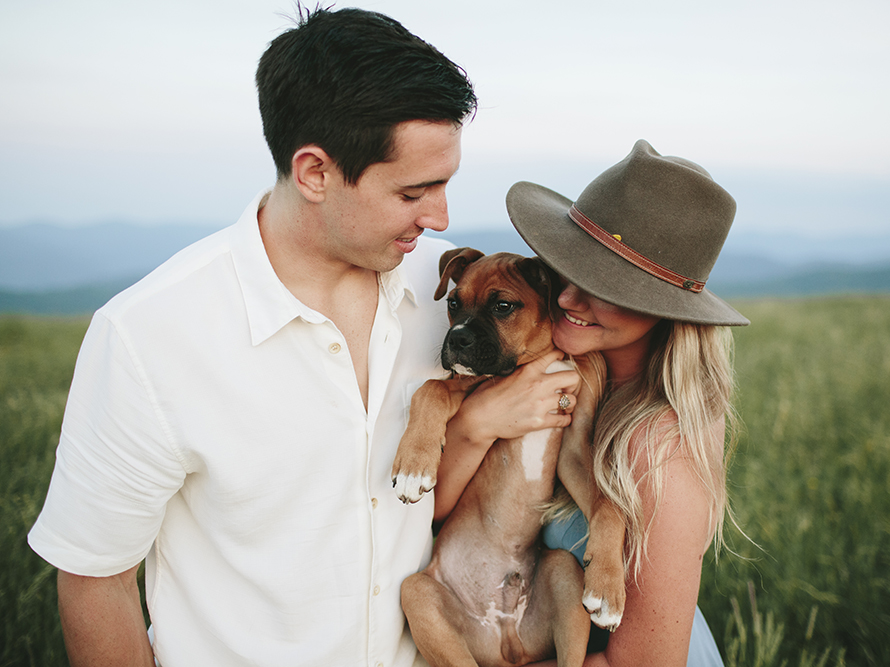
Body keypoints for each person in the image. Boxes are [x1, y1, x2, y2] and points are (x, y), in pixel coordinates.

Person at [27, 8, 577, 666]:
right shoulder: (148, 335)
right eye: (414, 192)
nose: (440, 216)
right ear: (315, 172)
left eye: (446, 183)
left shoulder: (452, 295)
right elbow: (96, 580)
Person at [434, 140, 749, 666]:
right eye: (569, 268)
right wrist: (474, 423)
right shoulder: (561, 381)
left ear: (665, 309)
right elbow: (436, 514)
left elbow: (643, 663)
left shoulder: (660, 446)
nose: (567, 298)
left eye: (608, 286)